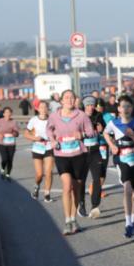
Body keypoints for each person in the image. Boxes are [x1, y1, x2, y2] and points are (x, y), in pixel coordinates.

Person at [47, 90, 97, 235]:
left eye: (72, 97)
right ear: (61, 101)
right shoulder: (54, 116)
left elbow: (91, 132)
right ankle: (67, 220)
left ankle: (73, 219)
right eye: (66, 97)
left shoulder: (81, 115)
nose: (69, 100)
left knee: (76, 189)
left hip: (78, 155)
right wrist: (52, 140)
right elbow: (48, 130)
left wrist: (82, 134)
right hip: (61, 154)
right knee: (67, 185)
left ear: (75, 100)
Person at [105, 95, 134, 238]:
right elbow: (105, 133)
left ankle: (133, 220)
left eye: (128, 106)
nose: (125, 109)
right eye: (123, 106)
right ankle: (128, 224)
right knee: (127, 188)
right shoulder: (113, 123)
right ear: (118, 109)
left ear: (132, 108)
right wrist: (112, 145)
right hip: (122, 160)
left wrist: (133, 136)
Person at [79, 96, 104, 219]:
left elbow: (104, 130)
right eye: (88, 105)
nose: (90, 108)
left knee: (97, 179)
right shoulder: (78, 116)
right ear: (84, 106)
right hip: (82, 151)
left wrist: (101, 129)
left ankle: (95, 206)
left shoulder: (98, 116)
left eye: (92, 105)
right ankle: (81, 204)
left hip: (95, 150)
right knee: (81, 180)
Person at [25, 100, 55, 202]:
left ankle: (47, 194)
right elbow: (26, 134)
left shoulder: (52, 119)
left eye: (45, 107)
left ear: (47, 109)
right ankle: (36, 185)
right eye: (41, 107)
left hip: (49, 147)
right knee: (39, 174)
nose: (43, 109)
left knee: (48, 172)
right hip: (37, 148)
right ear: (37, 109)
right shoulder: (33, 120)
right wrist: (35, 138)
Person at [0, 107, 19, 180]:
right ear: (3, 114)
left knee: (10, 159)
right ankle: (2, 169)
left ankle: (8, 175)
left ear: (11, 114)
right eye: (6, 112)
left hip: (11, 143)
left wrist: (13, 134)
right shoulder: (0, 121)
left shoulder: (14, 122)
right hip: (2, 143)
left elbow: (17, 133)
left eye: (9, 112)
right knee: (4, 159)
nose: (8, 114)